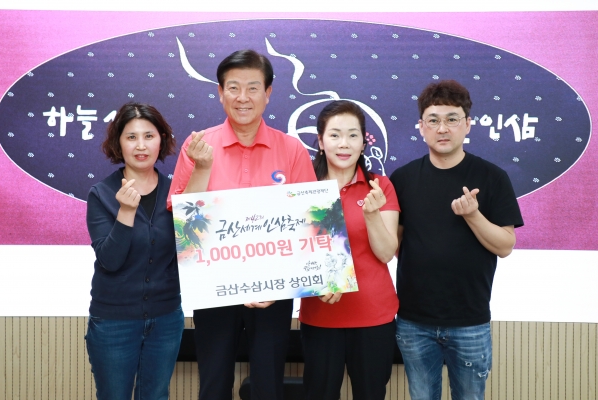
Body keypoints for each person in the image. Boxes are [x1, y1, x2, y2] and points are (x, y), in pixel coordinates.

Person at [166, 49, 316, 400]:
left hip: (273, 291)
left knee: (268, 385)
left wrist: (277, 283)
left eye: (253, 87)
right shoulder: (198, 146)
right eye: (233, 88)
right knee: (214, 383)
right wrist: (202, 168)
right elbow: (180, 219)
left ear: (268, 93)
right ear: (220, 93)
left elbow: (311, 222)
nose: (242, 97)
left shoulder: (291, 149)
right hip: (213, 288)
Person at [389, 80, 524, 400]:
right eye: (433, 120)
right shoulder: (402, 179)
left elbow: (505, 246)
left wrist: (473, 215)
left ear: (468, 124)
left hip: (470, 321)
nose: (443, 128)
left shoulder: (492, 177)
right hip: (413, 321)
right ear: (421, 127)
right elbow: (393, 246)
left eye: (452, 119)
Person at [299, 100, 400, 400]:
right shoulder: (302, 187)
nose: (344, 144)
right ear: (320, 141)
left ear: (363, 142)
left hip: (374, 316)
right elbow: (292, 251)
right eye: (335, 135)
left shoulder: (380, 186)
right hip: (320, 315)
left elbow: (386, 253)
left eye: (353, 135)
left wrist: (372, 214)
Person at [85, 102, 184, 400]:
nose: (141, 145)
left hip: (166, 318)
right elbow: (110, 260)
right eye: (131, 137)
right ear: (118, 143)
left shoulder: (176, 192)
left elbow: (194, 250)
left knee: (156, 395)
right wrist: (126, 212)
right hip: (114, 321)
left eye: (149, 136)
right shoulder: (101, 194)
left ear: (161, 140)